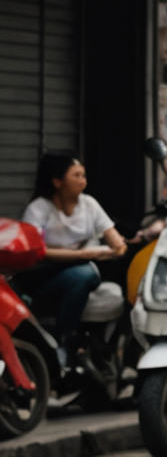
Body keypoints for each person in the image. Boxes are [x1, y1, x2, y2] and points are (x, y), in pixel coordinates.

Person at [16, 152, 125, 369]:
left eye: (84, 175)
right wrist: (82, 255)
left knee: (86, 274)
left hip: (81, 271)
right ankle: (64, 342)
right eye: (76, 175)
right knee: (82, 273)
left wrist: (114, 248)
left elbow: (118, 245)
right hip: (44, 275)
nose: (83, 180)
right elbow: (35, 251)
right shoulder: (38, 209)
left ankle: (75, 342)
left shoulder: (89, 204)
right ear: (57, 181)